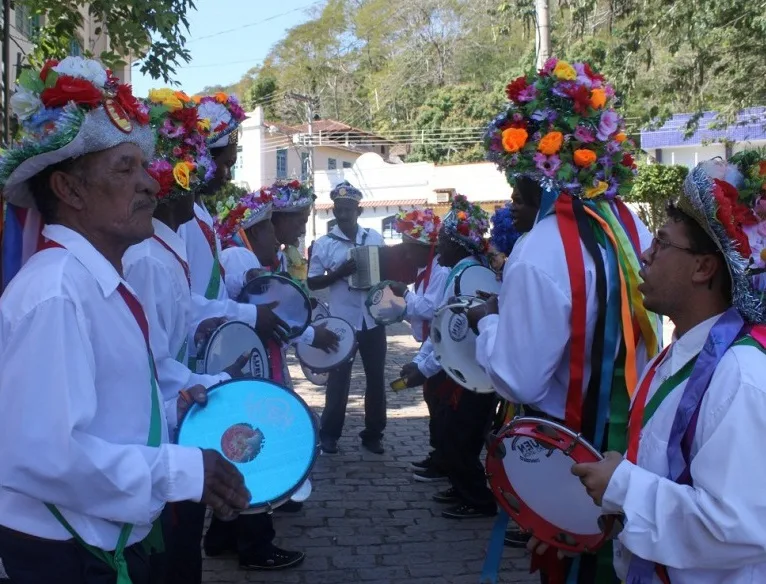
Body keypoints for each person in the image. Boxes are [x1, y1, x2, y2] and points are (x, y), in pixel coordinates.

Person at [0, 57, 249, 584]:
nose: (151, 185)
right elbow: (48, 454)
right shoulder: (57, 292)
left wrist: (176, 399)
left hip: (96, 541)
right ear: (68, 190)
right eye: (125, 168)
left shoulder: (98, 284)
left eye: (145, 166)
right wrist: (181, 470)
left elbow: (109, 408)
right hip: (65, 554)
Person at [475, 58, 662, 582]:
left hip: (573, 461)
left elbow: (518, 377)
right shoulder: (629, 227)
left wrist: (491, 324)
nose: (511, 194)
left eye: (515, 179)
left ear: (536, 172)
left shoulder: (538, 252)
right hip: (634, 447)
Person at [572, 157, 766, 583]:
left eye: (661, 243)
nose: (645, 253)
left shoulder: (740, 374)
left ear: (703, 267)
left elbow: (738, 526)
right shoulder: (680, 352)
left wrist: (622, 486)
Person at [123, 89, 248, 439]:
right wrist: (216, 381)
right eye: (198, 165)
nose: (211, 173)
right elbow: (152, 364)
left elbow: (179, 314)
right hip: (165, 419)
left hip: (179, 401)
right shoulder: (148, 258)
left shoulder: (170, 240)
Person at [400, 195, 499, 519]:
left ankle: (478, 499)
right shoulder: (461, 270)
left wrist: (423, 369)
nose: (437, 246)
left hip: (471, 372)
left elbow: (451, 331)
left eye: (442, 240)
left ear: (458, 244)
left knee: (459, 435)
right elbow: (442, 326)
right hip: (463, 369)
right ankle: (461, 488)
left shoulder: (467, 274)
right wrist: (420, 364)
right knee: (451, 430)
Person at [307, 181, 387, 454]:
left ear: (358, 210)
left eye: (347, 210)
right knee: (339, 379)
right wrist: (338, 273)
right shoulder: (324, 244)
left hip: (373, 320)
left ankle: (374, 433)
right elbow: (313, 282)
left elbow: (387, 271)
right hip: (342, 322)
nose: (342, 215)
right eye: (338, 210)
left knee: (376, 378)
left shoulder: (374, 238)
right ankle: (330, 434)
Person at [386, 209, 447, 475]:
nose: (407, 255)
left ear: (426, 247)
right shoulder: (425, 270)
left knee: (443, 406)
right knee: (434, 403)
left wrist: (404, 295)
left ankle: (445, 460)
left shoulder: (441, 272)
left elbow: (431, 311)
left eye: (411, 249)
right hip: (431, 345)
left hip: (442, 349)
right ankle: (439, 454)